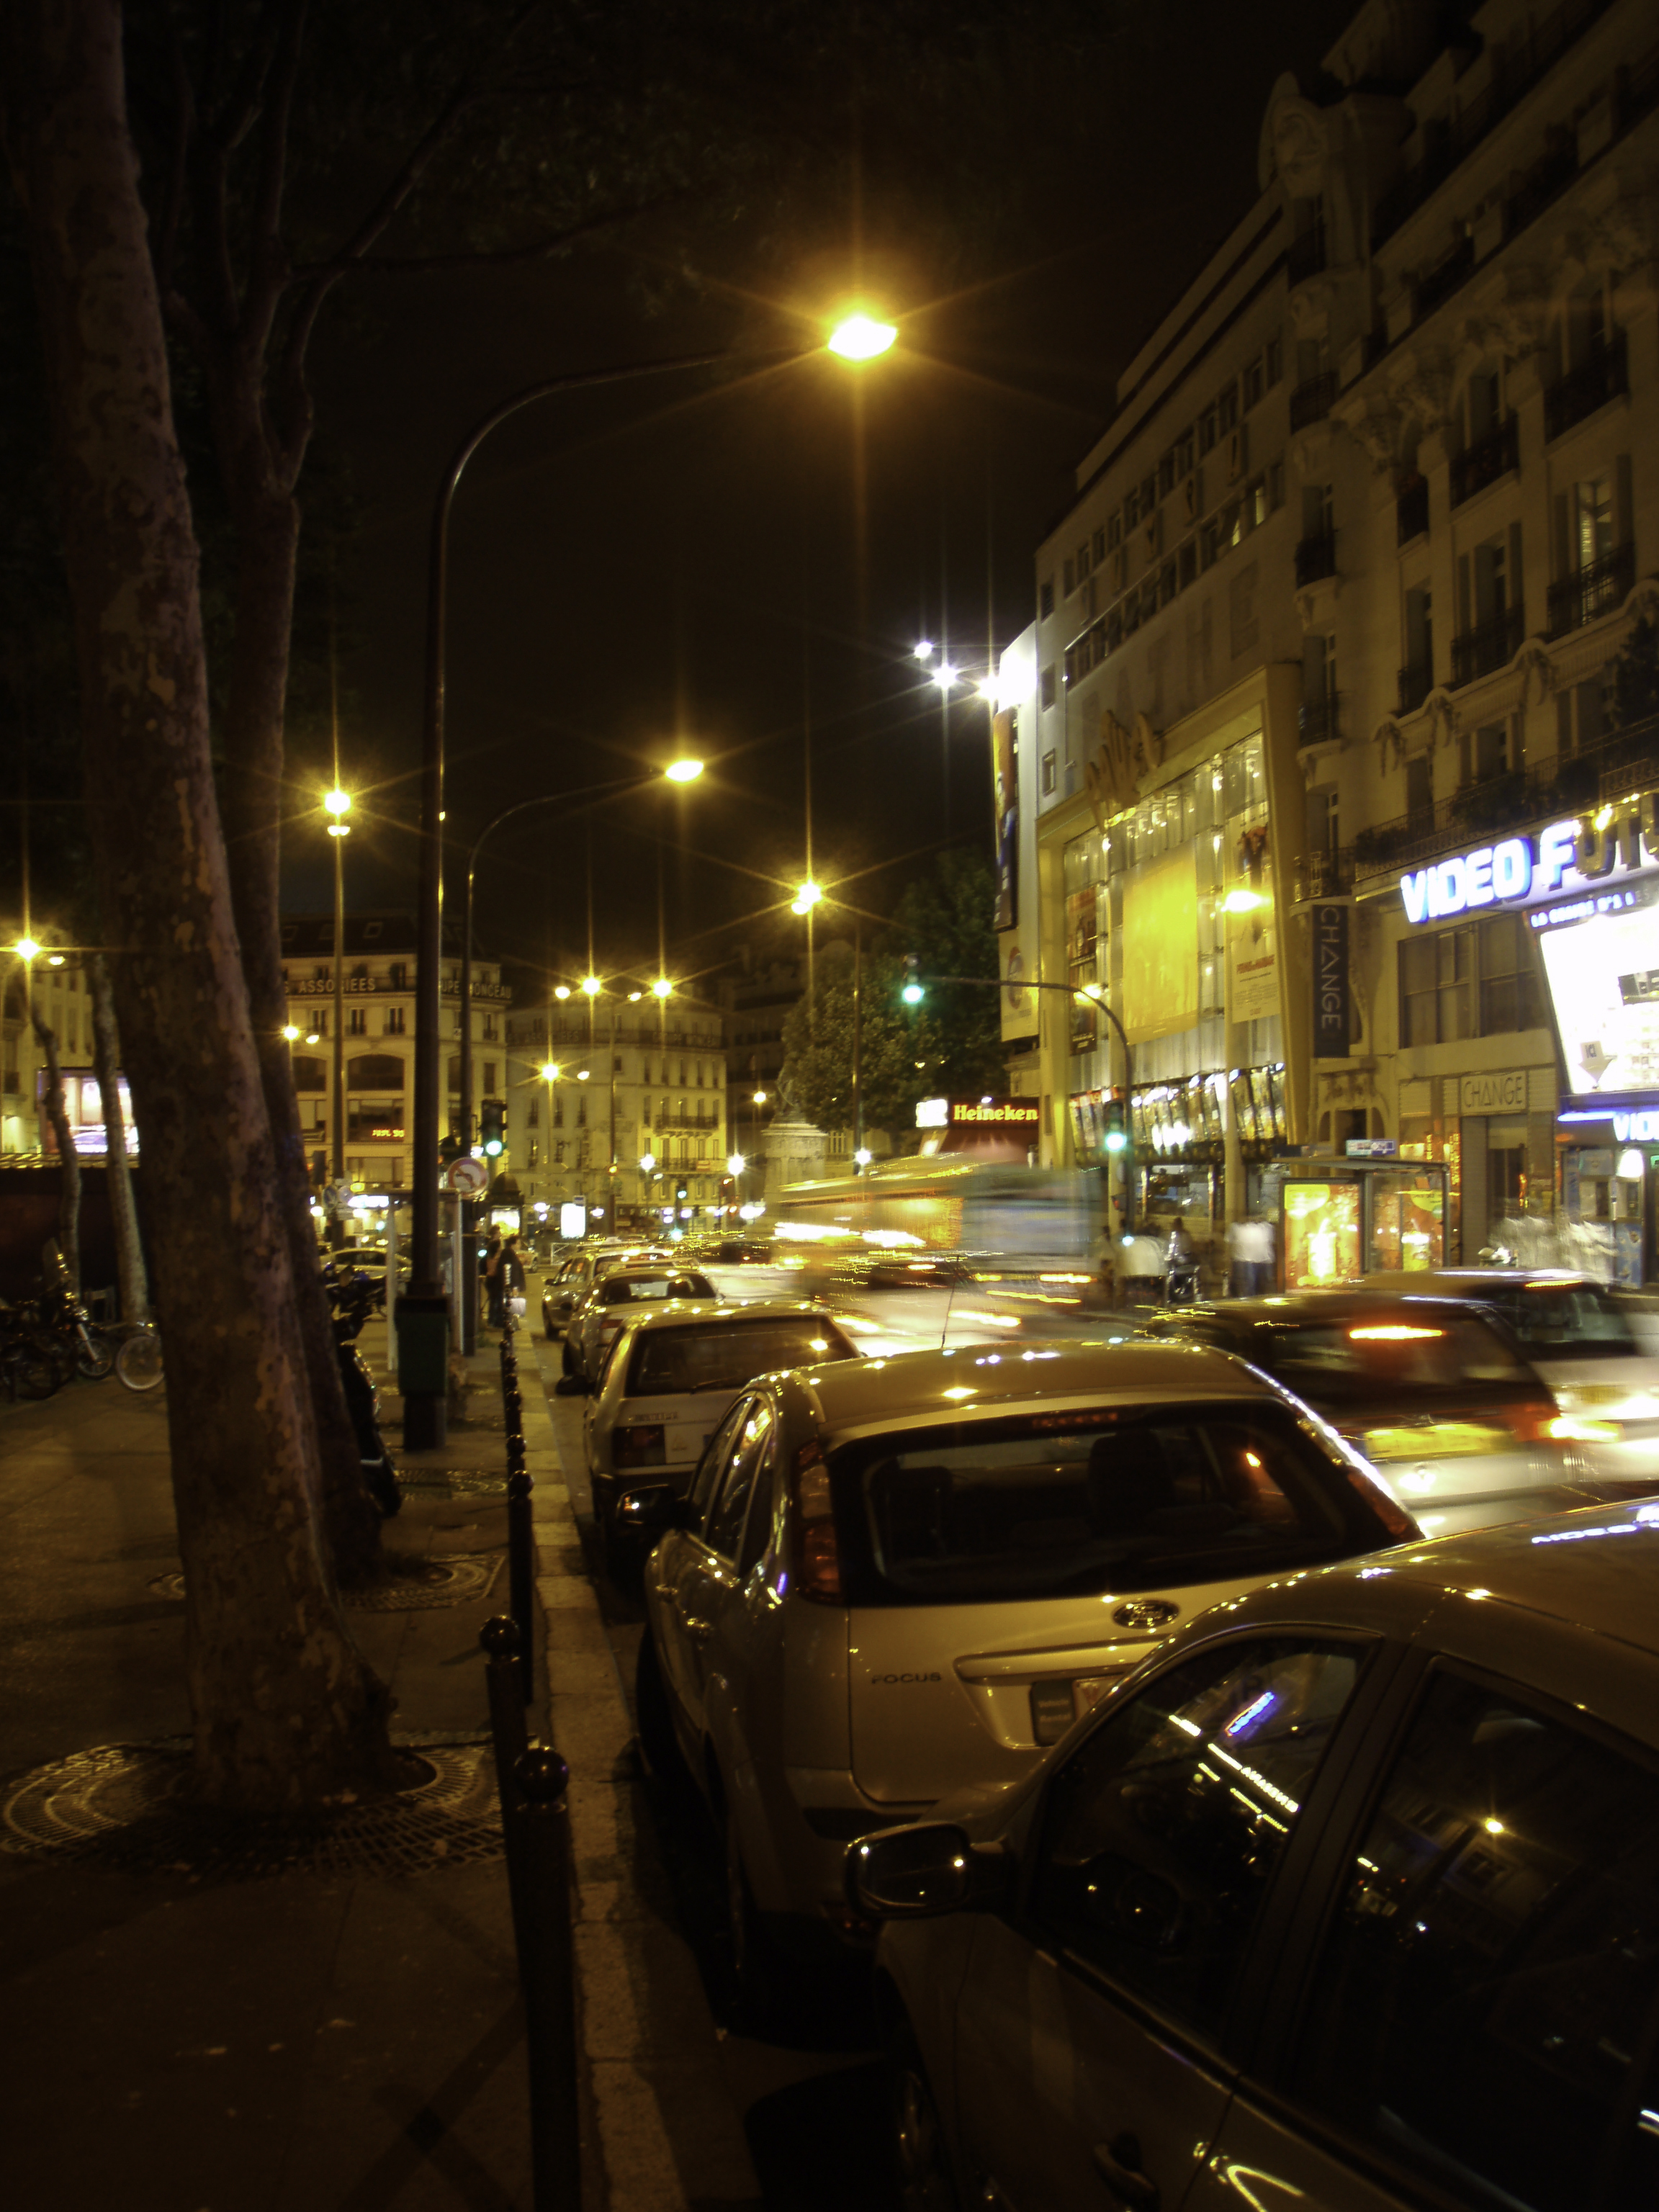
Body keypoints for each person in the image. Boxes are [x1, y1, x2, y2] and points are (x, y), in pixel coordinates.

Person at [498, 1234, 527, 1322]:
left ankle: (510, 1321)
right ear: (512, 1244)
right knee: (510, 1303)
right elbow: (512, 1270)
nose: (520, 1245)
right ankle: (508, 1322)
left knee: (510, 1303)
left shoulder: (510, 1253)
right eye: (518, 1243)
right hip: (510, 1285)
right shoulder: (508, 1253)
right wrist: (514, 1286)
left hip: (511, 1284)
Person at [482, 1228, 504, 1326]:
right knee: (498, 1300)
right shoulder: (497, 1258)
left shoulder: (489, 1256)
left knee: (493, 1300)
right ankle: (497, 1321)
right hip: (495, 1280)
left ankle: (492, 1320)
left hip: (489, 1279)